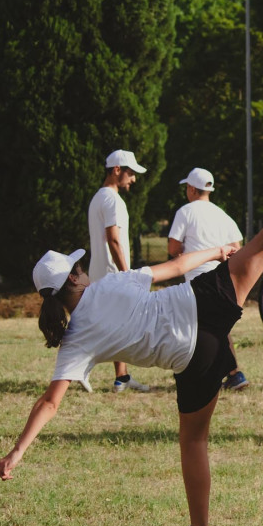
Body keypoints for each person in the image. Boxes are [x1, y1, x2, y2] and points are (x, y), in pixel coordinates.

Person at [0, 114, 263, 526]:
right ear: (75, 279)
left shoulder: (76, 341)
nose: (82, 270)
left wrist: (17, 451)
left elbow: (50, 402)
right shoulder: (110, 283)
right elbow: (172, 268)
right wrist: (221, 251)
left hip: (194, 357)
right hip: (201, 301)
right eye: (78, 268)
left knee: (193, 440)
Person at [168, 168, 248, 391]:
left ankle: (232, 373)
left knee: (205, 330)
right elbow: (237, 248)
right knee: (212, 328)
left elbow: (173, 247)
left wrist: (186, 254)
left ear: (192, 189)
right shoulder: (222, 214)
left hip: (195, 280)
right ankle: (225, 374)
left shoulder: (186, 212)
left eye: (187, 187)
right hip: (221, 280)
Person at [85, 149, 150, 394]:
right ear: (117, 170)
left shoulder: (98, 198)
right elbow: (113, 239)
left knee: (115, 326)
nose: (133, 179)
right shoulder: (112, 200)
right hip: (113, 275)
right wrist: (127, 274)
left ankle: (121, 377)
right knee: (113, 327)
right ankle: (81, 369)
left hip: (102, 273)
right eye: (130, 173)